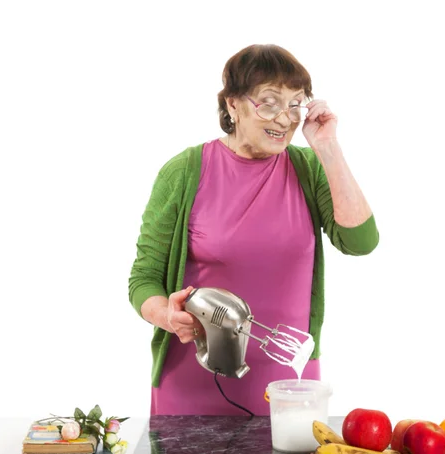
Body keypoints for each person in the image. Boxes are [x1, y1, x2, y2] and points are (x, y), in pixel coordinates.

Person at [128, 44, 379, 416]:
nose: (285, 118)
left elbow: (360, 242)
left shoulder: (308, 168)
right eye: (269, 102)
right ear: (232, 104)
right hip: (194, 377)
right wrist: (165, 315)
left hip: (290, 383)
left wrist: (328, 149)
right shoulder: (183, 171)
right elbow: (144, 278)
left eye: (296, 103)